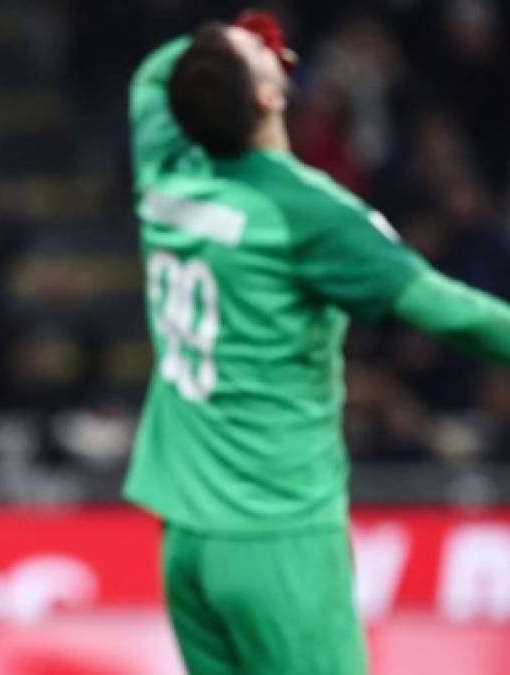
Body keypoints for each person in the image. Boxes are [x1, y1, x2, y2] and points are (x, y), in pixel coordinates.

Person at [122, 13, 510, 675]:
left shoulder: (165, 167)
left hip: (183, 532)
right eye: (252, 46)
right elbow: (451, 312)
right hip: (276, 530)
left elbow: (154, 78)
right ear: (269, 97)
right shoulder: (312, 213)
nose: (259, 34)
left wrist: (217, 54)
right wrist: (227, 55)